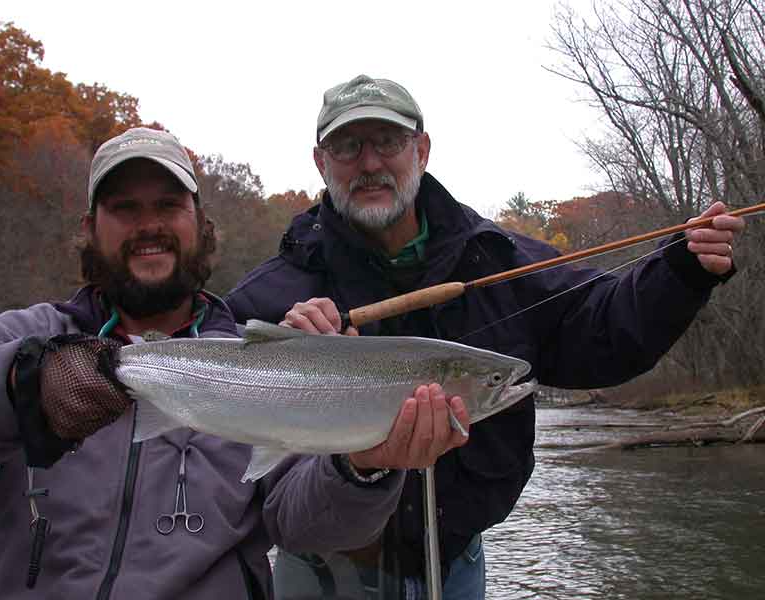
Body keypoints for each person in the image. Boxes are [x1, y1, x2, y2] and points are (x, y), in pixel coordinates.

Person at [224, 75, 747, 599]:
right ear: (321, 162)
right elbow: (226, 448)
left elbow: (604, 331)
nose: (369, 163)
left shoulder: (500, 260)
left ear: (421, 150)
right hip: (318, 573)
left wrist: (680, 273)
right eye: (347, 146)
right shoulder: (268, 298)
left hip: (458, 568)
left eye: (388, 142)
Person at [0, 127, 471, 600]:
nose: (148, 226)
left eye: (168, 205)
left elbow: (308, 529)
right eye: (124, 208)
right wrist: (20, 386)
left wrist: (365, 464)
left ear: (201, 225)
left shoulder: (264, 359)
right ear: (90, 228)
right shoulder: (27, 335)